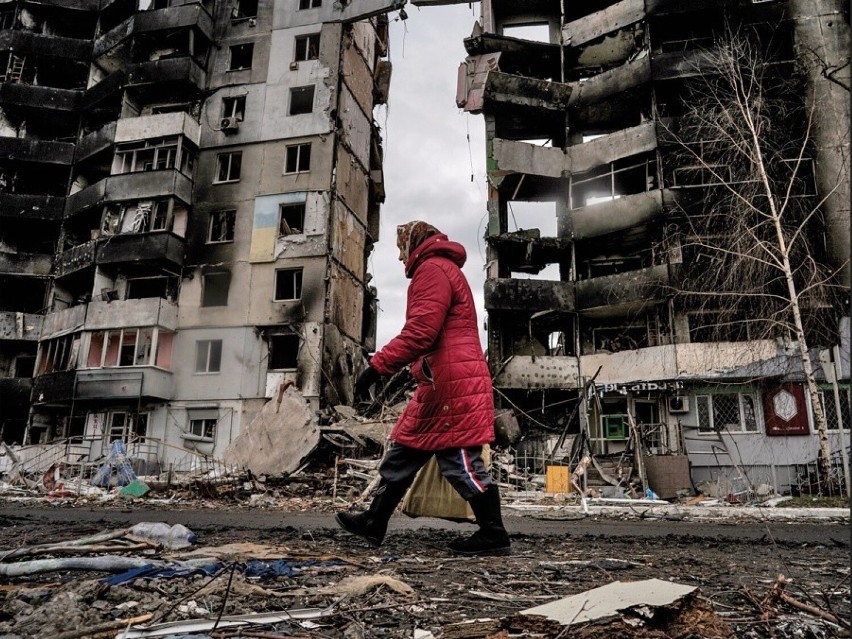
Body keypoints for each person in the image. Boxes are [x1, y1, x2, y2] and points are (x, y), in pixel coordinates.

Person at [336, 221, 510, 556]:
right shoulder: (439, 269)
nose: (401, 258)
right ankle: (375, 520)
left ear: (414, 243)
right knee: (405, 449)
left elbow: (421, 332)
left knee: (459, 459)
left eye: (401, 250)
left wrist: (376, 367)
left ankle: (494, 533)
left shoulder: (432, 270)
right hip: (441, 380)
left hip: (451, 383)